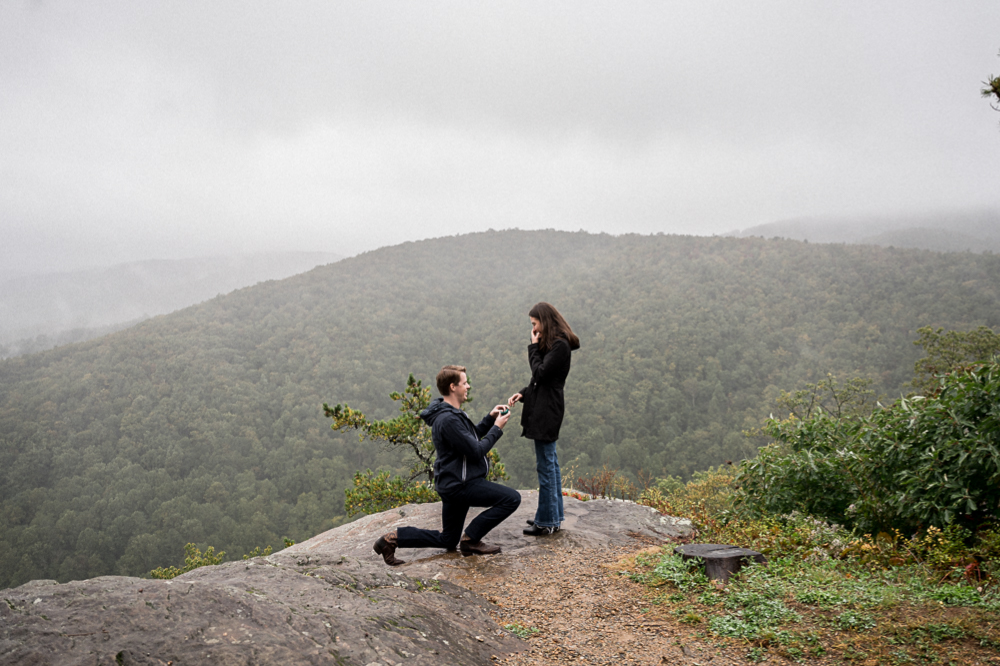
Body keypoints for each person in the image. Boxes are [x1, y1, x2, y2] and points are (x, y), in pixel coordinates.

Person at [373, 365, 521, 565]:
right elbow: (476, 451)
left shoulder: (450, 413)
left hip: (452, 482)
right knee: (512, 499)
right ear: (453, 387)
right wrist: (497, 428)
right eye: (464, 382)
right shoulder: (448, 419)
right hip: (461, 485)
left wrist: (489, 419)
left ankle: (390, 540)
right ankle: (471, 539)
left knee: (449, 539)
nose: (468, 386)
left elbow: (469, 440)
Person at [507, 303, 580, 536]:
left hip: (547, 412)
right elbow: (542, 382)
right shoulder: (556, 345)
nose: (534, 329)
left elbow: (540, 373)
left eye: (534, 324)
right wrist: (524, 393)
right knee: (551, 465)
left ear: (544, 321)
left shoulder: (559, 346)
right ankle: (552, 516)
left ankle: (547, 521)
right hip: (546, 407)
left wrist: (533, 347)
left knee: (546, 467)